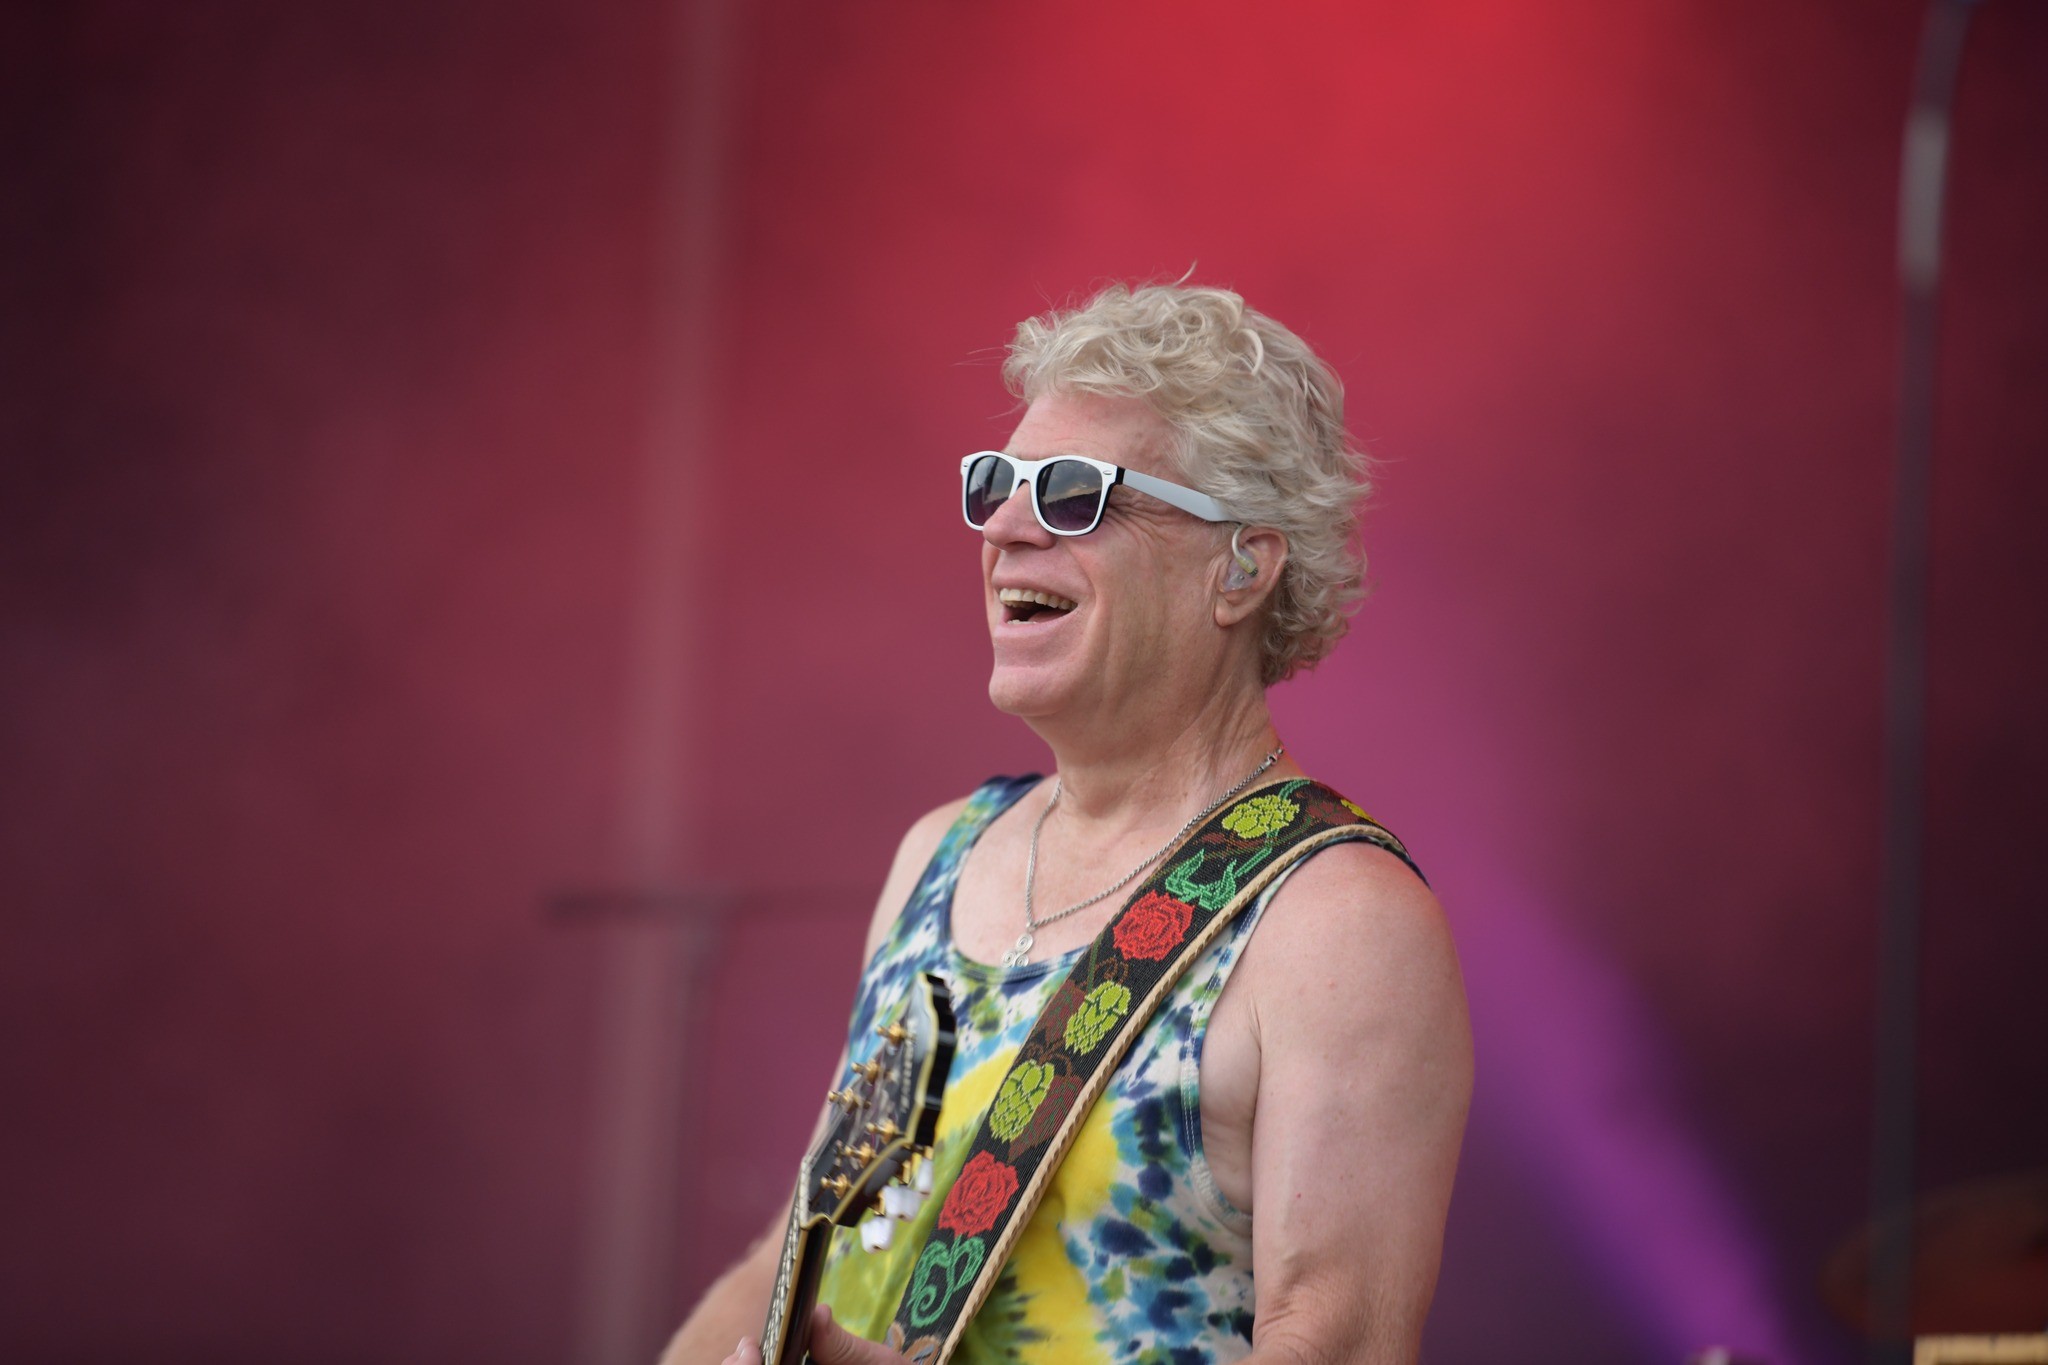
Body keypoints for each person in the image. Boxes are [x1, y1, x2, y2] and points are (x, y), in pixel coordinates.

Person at [662, 283, 1471, 1365]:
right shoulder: (939, 855)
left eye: (1076, 493)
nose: (1004, 526)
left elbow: (1335, 1351)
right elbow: (788, 1261)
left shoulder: (1338, 922)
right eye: (994, 485)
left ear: (1240, 567)